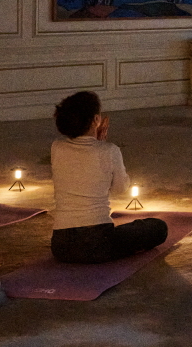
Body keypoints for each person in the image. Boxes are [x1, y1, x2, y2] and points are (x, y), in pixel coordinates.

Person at [48, 90, 168, 264]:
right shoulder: (110, 151)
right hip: (99, 243)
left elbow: (83, 164)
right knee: (158, 227)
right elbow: (120, 189)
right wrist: (103, 150)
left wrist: (99, 146)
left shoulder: (57, 147)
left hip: (61, 246)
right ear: (96, 119)